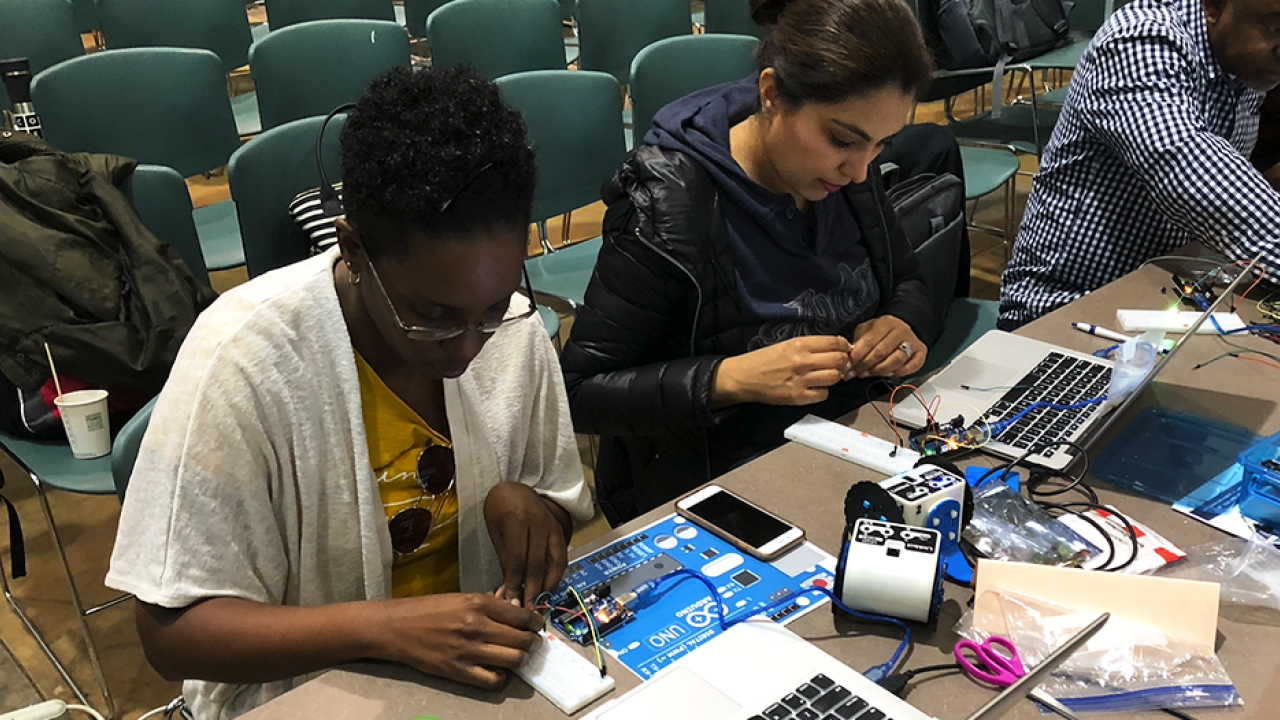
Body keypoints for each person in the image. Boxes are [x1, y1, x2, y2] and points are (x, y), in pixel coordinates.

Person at [105, 67, 592, 719]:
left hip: (472, 678)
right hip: (304, 692)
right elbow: (172, 634)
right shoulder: (244, 358)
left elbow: (553, 501)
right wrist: (384, 629)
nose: (470, 344)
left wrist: (527, 506)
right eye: (432, 315)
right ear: (354, 249)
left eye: (494, 306)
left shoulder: (508, 325)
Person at [560, 0, 952, 525]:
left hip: (858, 439)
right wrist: (730, 378)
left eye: (880, 146)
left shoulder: (840, 176)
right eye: (842, 140)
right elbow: (579, 393)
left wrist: (903, 322)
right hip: (725, 480)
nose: (860, 171)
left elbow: (906, 278)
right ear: (770, 94)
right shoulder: (670, 206)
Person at [999, 0, 1280, 329]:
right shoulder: (1141, 38)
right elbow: (1190, 171)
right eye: (1276, 27)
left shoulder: (1244, 63)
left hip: (1163, 293)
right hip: (1063, 306)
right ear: (1215, 7)